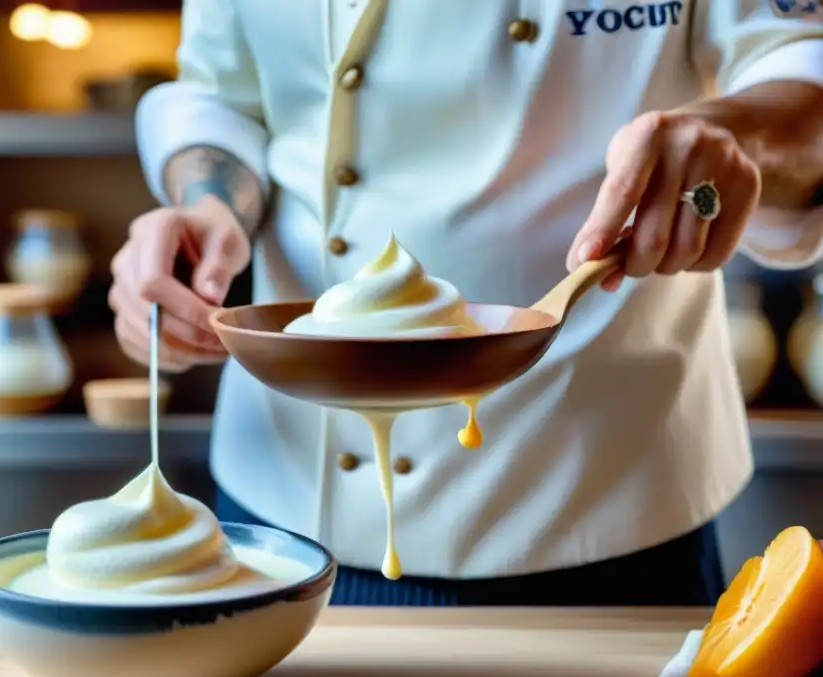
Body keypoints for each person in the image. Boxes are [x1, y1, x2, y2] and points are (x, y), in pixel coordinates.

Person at [109, 1, 823, 607]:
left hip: (606, 512)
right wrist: (210, 208)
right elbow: (221, 92)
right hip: (284, 514)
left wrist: (735, 135)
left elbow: (798, 65)